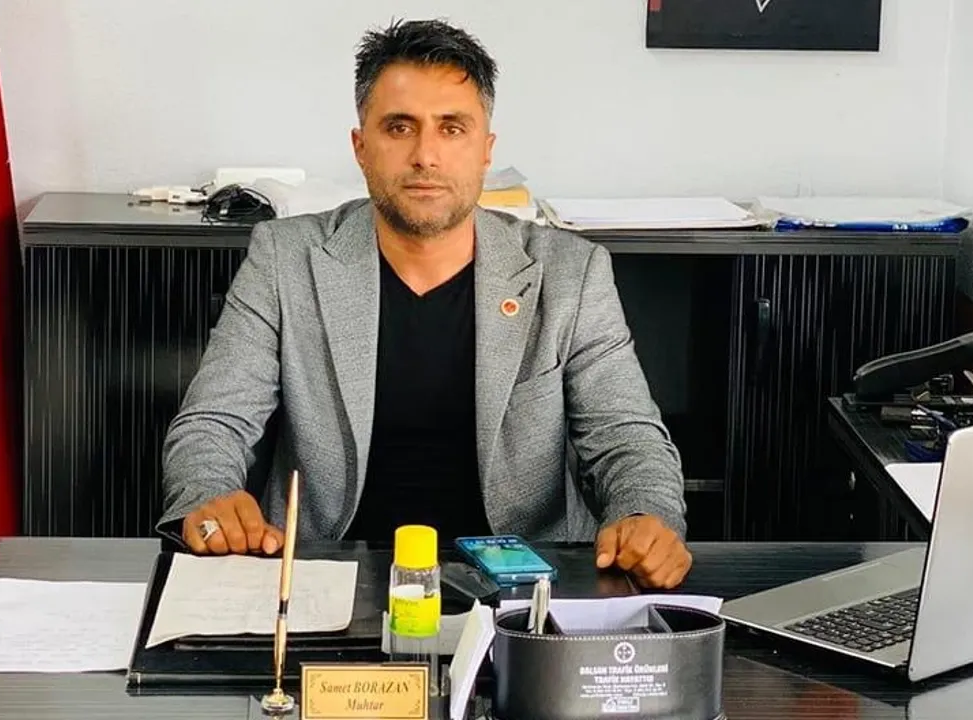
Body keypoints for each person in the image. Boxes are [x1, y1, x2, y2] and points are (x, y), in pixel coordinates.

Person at [157, 18, 692, 589]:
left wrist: (646, 513)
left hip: (523, 585)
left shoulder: (569, 272)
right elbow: (214, 421)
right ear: (361, 148)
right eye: (400, 127)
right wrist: (208, 495)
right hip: (331, 576)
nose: (426, 156)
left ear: (485, 151)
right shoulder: (286, 259)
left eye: (452, 128)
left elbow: (626, 436)